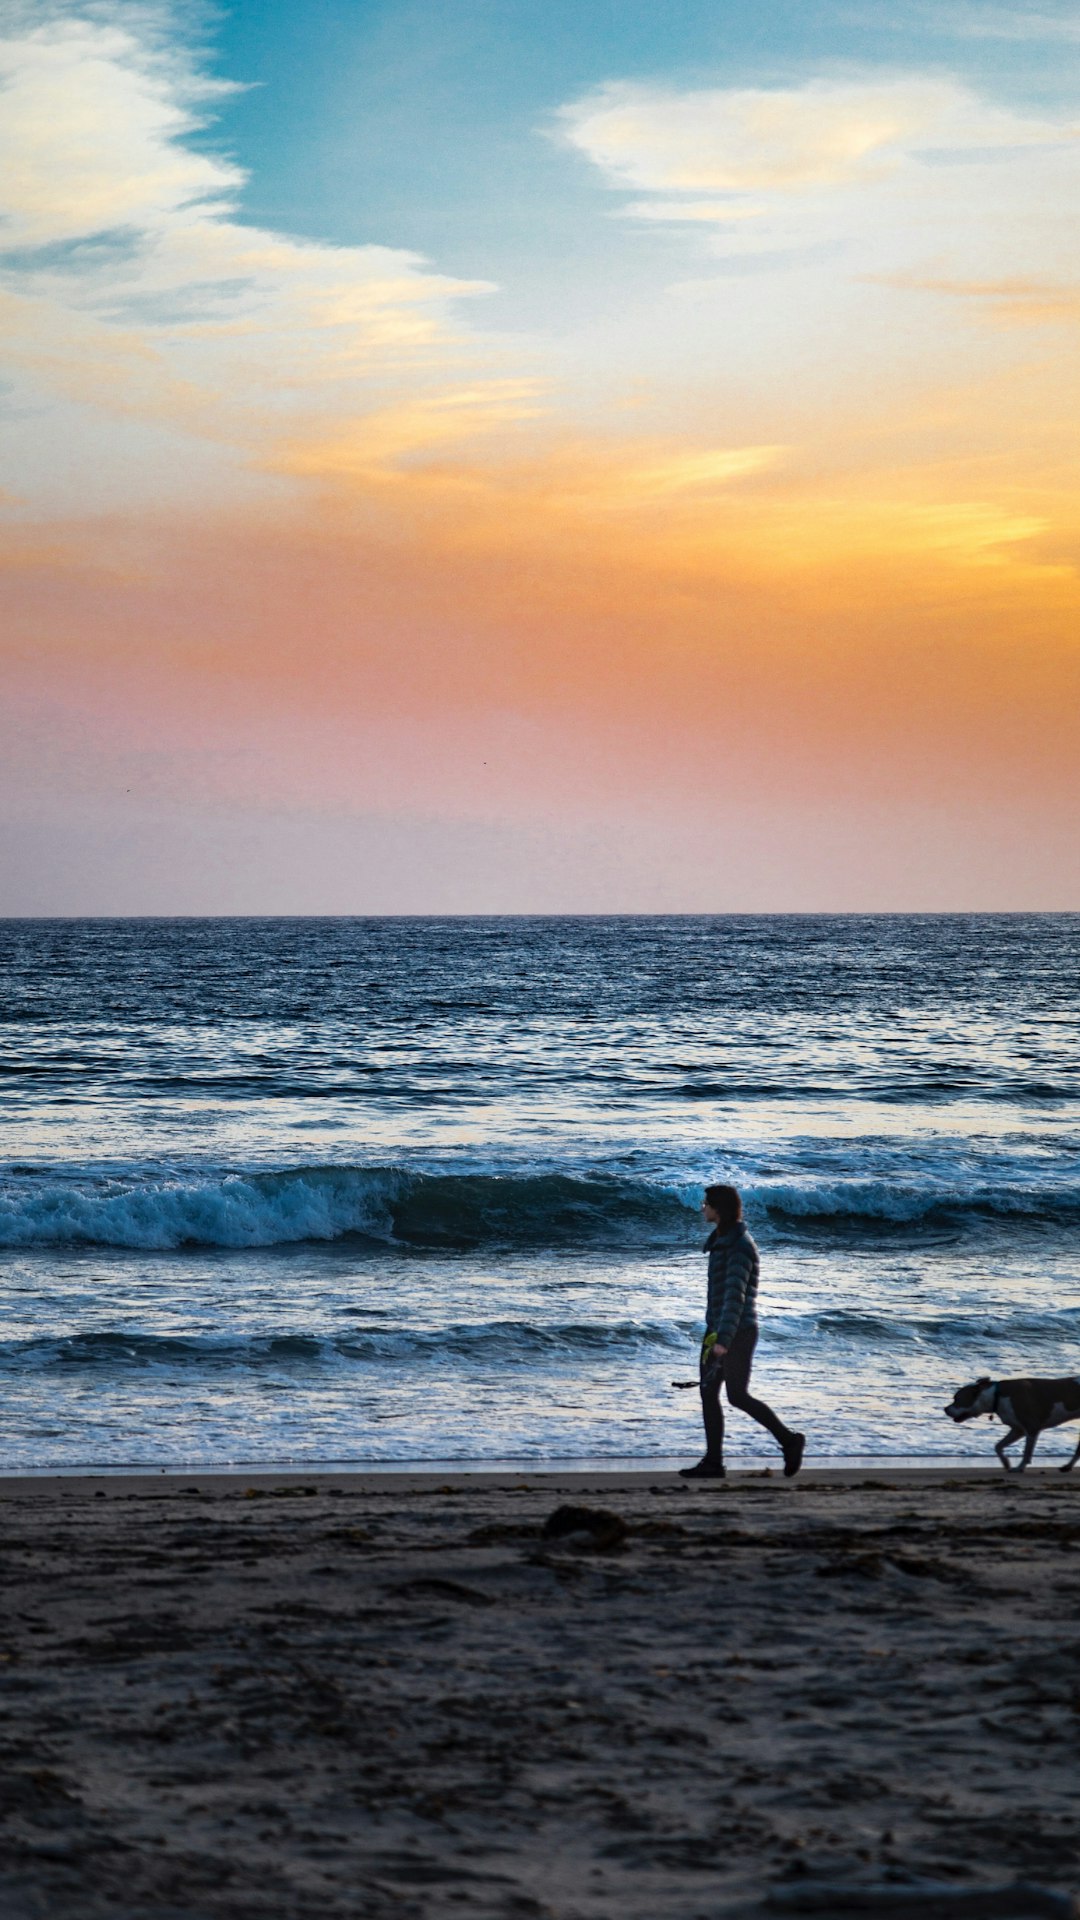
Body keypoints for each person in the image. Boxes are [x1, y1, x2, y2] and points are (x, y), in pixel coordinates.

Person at [680, 1182, 805, 1480]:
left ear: (719, 1209)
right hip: (719, 1330)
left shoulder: (739, 1246)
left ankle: (789, 1440)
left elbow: (735, 1299)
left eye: (706, 1203)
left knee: (736, 1396)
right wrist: (716, 1334)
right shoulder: (723, 1241)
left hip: (737, 1333)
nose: (702, 1208)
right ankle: (713, 1462)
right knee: (709, 1394)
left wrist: (723, 1340)